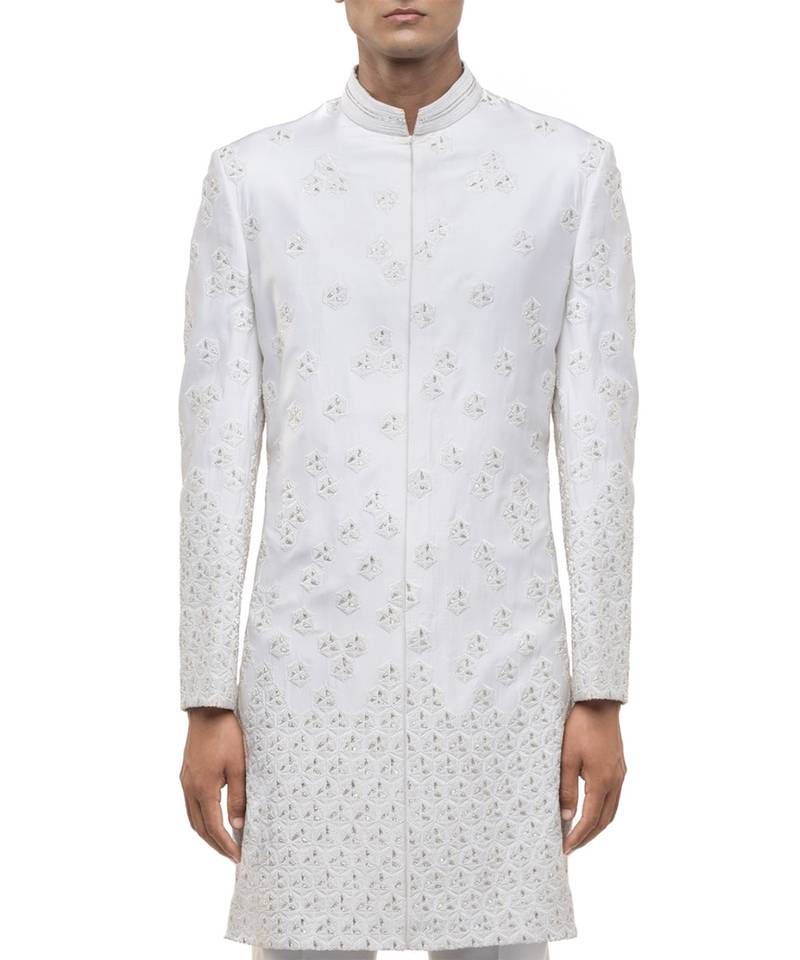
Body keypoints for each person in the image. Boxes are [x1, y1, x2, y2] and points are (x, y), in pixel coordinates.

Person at [178, 2, 637, 958]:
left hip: (502, 668)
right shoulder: (256, 178)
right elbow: (215, 451)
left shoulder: (568, 172)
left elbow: (601, 446)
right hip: (307, 671)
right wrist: (206, 695)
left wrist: (601, 688)